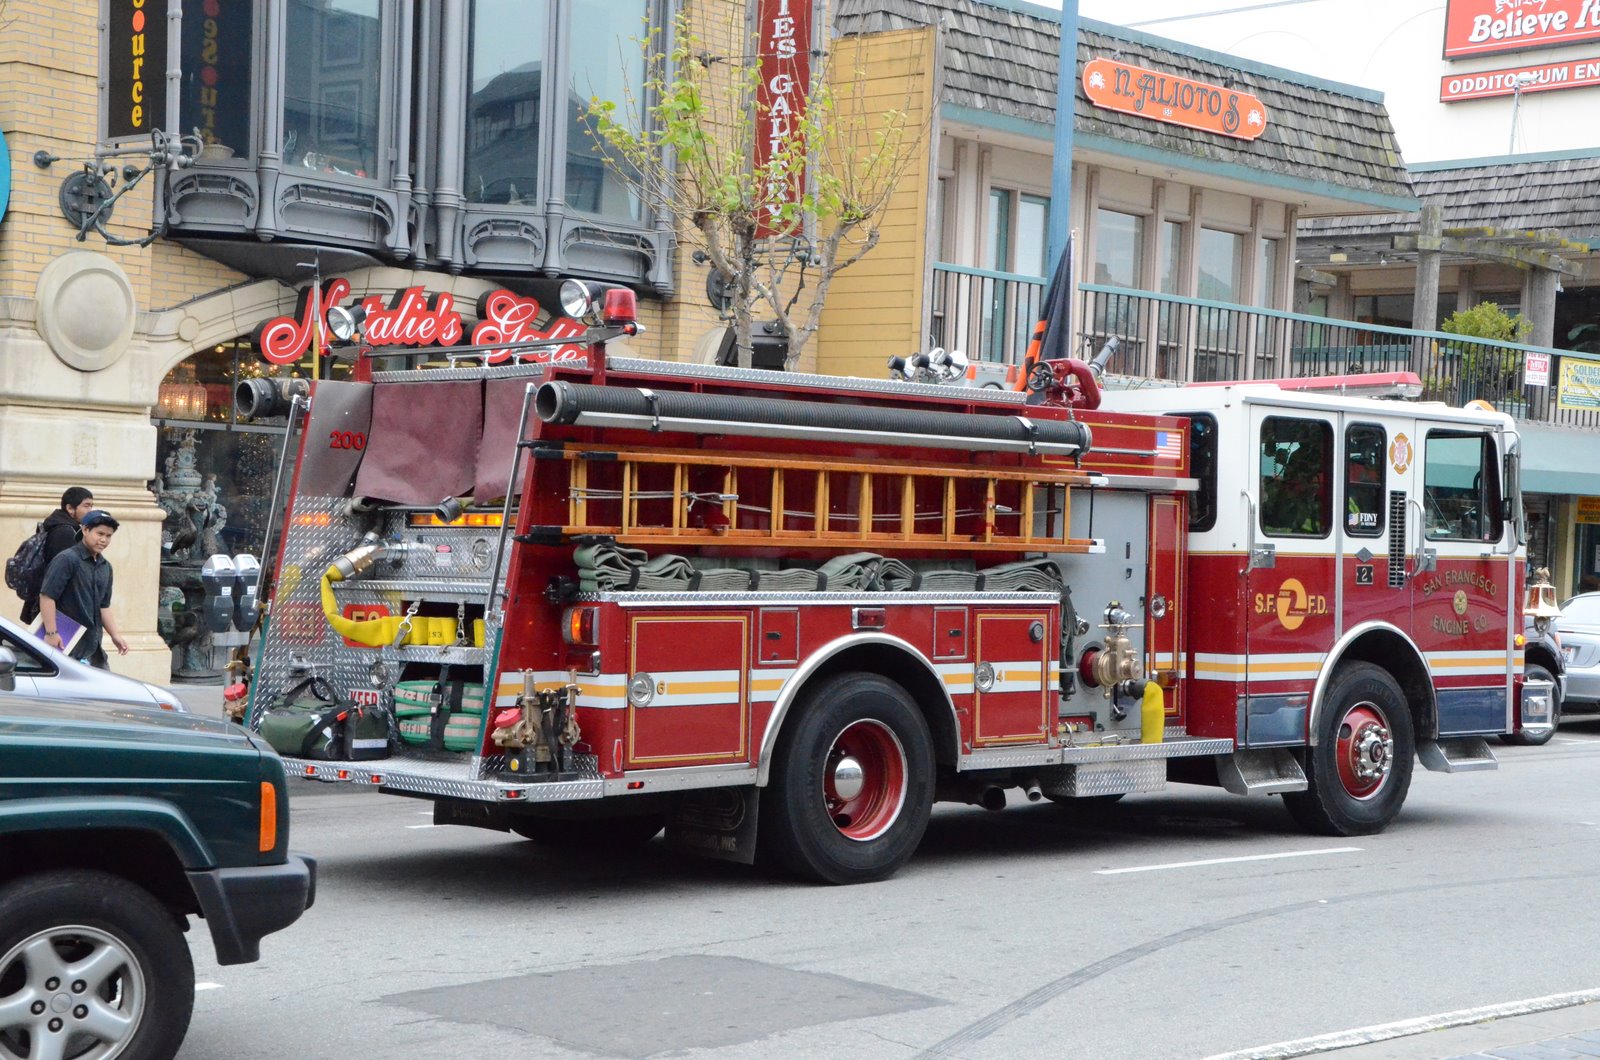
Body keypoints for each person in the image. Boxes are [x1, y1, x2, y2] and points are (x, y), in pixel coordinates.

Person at [38, 509, 129, 669]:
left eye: (108, 536)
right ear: (85, 530)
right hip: (65, 644)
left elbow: (104, 606)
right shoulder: (67, 559)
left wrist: (115, 636)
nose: (103, 540)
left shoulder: (105, 567)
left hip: (93, 647)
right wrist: (51, 633)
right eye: (99, 533)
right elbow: (47, 596)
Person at [20, 486, 95, 623]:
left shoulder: (60, 526)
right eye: (86, 506)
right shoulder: (65, 532)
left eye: (91, 506)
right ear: (70, 508)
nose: (90, 511)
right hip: (58, 607)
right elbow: (62, 572)